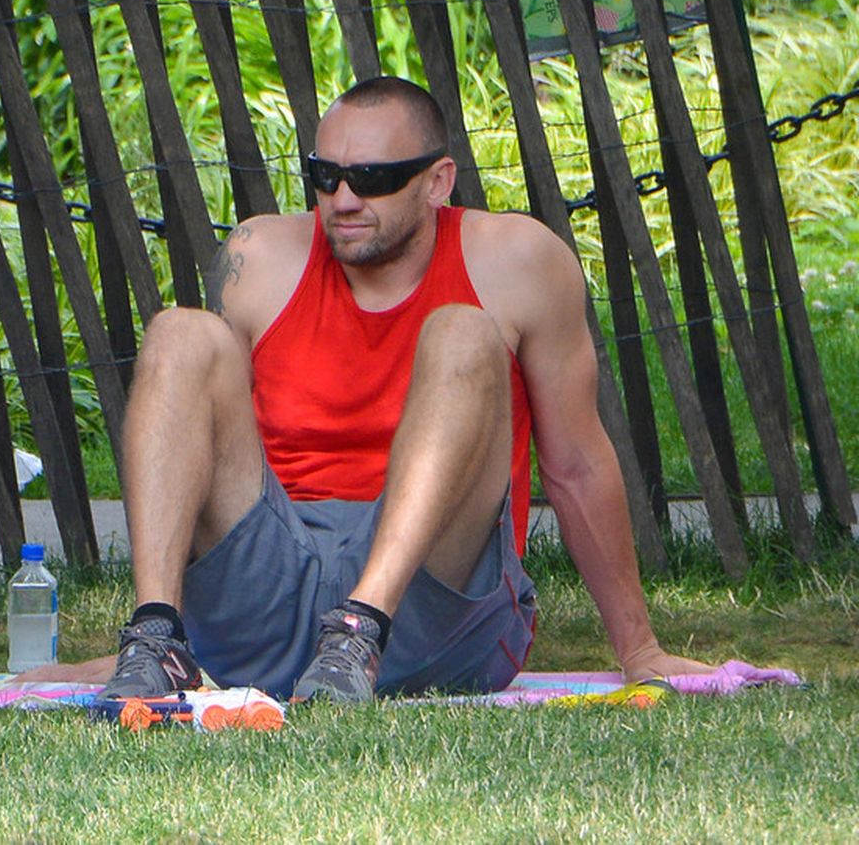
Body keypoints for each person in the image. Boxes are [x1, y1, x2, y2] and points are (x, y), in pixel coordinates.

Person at [95, 75, 712, 703]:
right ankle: (153, 642)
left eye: (373, 179)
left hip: (432, 607)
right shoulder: (260, 257)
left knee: (464, 332)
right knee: (179, 335)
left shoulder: (519, 260)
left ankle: (360, 630)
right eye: (325, 175)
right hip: (274, 590)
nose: (342, 199)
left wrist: (640, 650)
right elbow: (196, 453)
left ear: (438, 182)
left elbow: (576, 464)